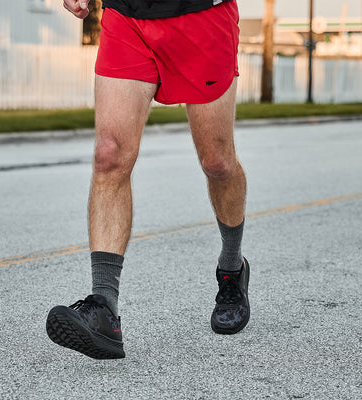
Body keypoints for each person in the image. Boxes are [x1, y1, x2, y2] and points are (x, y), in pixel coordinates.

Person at [46, 0, 250, 359]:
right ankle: (103, 309)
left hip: (202, 15)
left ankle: (232, 270)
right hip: (127, 14)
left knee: (217, 162)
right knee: (109, 155)